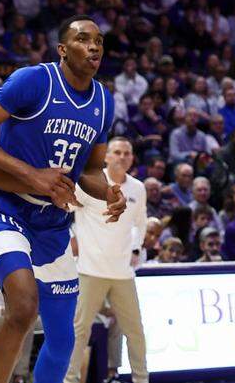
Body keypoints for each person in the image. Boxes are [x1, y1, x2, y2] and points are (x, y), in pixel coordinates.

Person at [0, 15, 127, 383]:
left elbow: (90, 172)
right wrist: (31, 175)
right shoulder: (35, 80)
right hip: (4, 207)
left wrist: (109, 190)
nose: (94, 46)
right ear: (63, 49)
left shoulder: (103, 102)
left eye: (99, 41)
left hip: (53, 224)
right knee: (22, 307)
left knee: (64, 340)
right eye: (84, 39)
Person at [66, 137, 149, 383]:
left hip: (122, 273)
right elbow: (65, 212)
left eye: (127, 153)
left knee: (135, 332)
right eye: (117, 152)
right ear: (106, 156)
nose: (122, 157)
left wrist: (136, 249)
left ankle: (141, 379)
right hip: (89, 270)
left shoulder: (138, 188)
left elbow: (141, 223)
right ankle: (69, 380)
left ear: (132, 158)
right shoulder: (88, 182)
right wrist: (71, 239)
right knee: (79, 331)